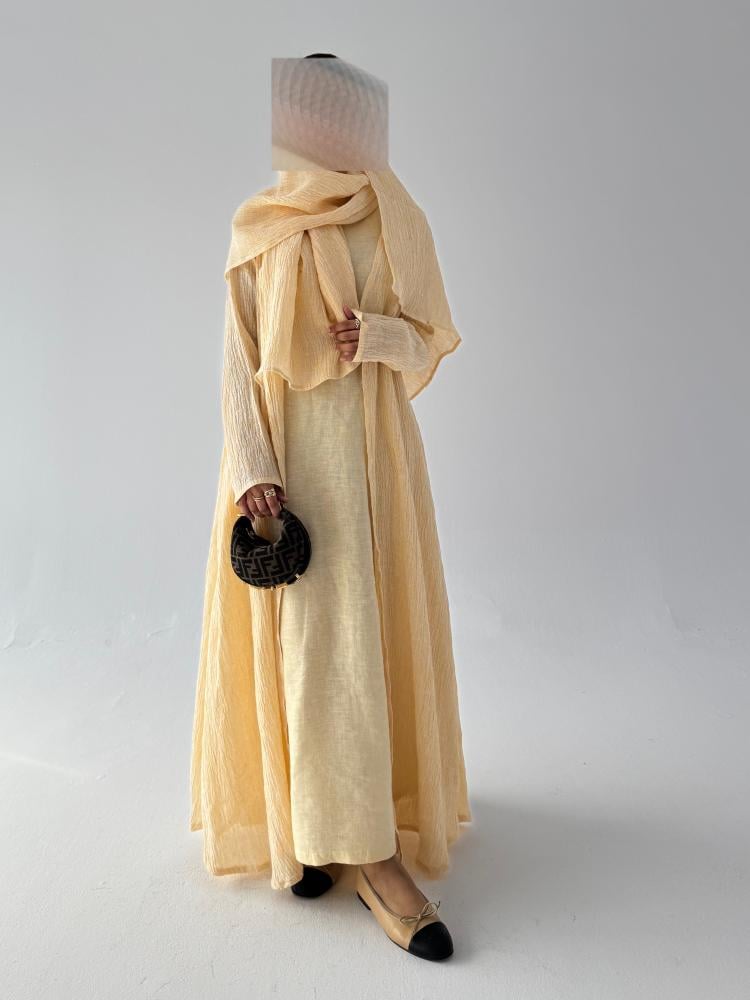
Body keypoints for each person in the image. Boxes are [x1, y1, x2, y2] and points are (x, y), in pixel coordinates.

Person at [190, 53, 471, 962]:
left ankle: (376, 854)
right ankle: (312, 829)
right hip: (289, 472)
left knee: (358, 649)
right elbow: (237, 354)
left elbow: (430, 337)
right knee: (305, 652)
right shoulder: (261, 224)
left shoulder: (395, 215)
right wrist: (251, 468)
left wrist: (378, 335)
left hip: (373, 464)